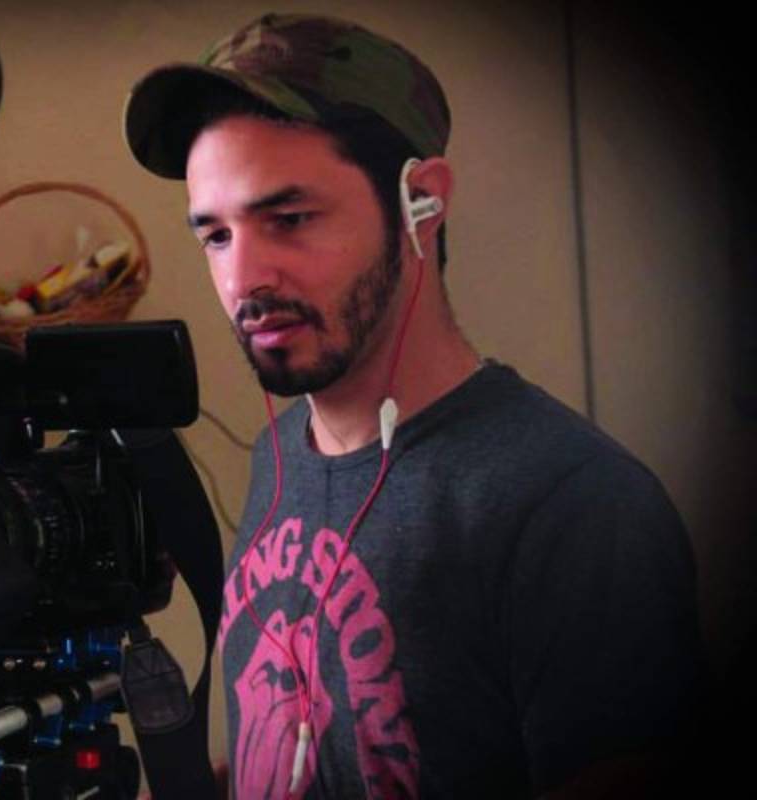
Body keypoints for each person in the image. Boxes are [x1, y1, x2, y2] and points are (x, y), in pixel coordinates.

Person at [123, 12, 704, 799]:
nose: (243, 280)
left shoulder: (577, 508)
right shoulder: (281, 453)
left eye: (288, 219)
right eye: (216, 237)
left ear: (420, 200)